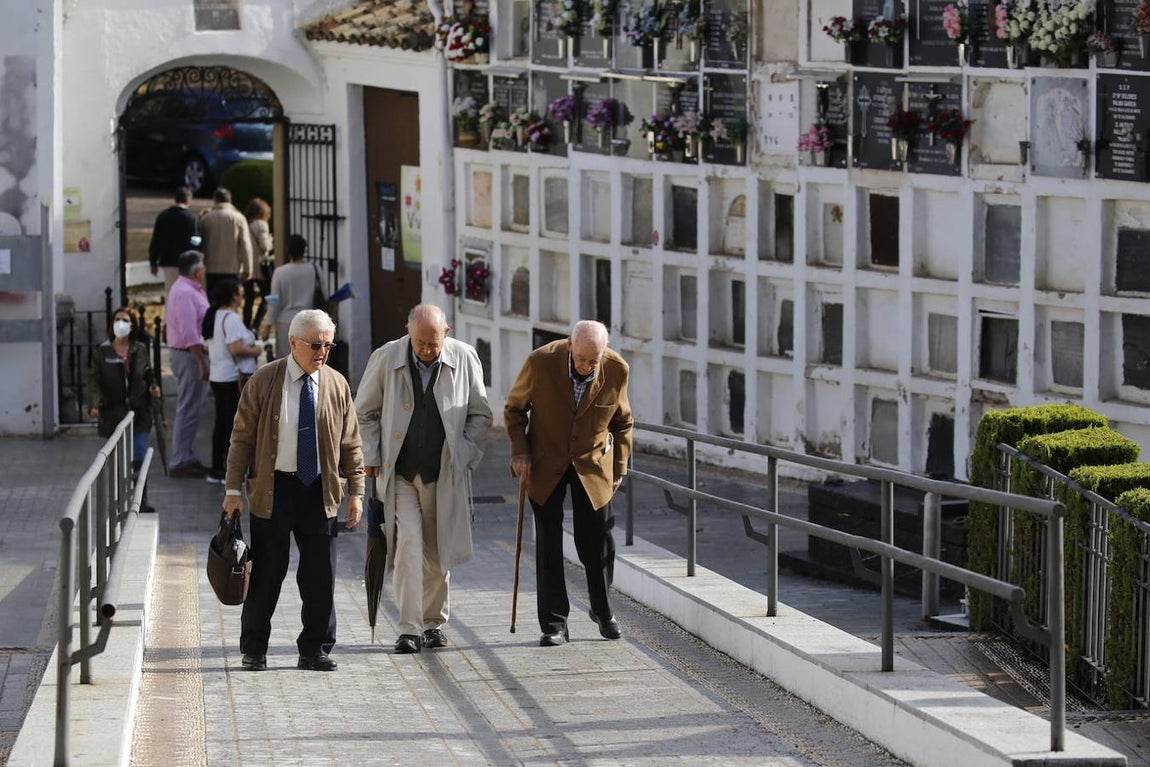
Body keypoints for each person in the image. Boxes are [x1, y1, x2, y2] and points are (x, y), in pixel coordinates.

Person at [223, 309, 364, 672]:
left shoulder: (336, 384)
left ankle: (315, 648)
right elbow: (241, 437)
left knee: (321, 574)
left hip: (320, 488)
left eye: (328, 345)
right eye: (315, 345)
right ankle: (254, 648)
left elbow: (350, 442)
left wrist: (357, 491)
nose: (322, 352)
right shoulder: (265, 379)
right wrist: (232, 488)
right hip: (275, 488)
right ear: (292, 343)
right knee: (268, 571)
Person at [355, 304, 493, 654]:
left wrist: (462, 454)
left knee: (436, 546)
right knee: (409, 542)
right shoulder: (386, 357)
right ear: (408, 331)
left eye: (434, 343)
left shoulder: (464, 358)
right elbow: (364, 412)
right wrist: (371, 455)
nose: (427, 350)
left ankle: (433, 623)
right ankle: (409, 627)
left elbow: (480, 415)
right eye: (420, 343)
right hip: (399, 471)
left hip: (442, 473)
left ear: (446, 333)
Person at [504, 320, 634, 647]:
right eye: (581, 359)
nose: (587, 366)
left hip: (593, 466)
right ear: (570, 346)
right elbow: (514, 410)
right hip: (546, 462)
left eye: (594, 360)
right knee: (548, 542)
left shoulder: (617, 369)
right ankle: (554, 624)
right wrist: (520, 452)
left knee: (597, 541)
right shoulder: (540, 362)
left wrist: (619, 466)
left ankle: (603, 611)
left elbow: (623, 422)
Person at [87, 306, 161, 513]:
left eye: (125, 320)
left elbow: (147, 373)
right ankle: (121, 500)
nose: (121, 324)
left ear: (132, 325)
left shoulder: (139, 349)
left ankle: (140, 499)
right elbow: (94, 381)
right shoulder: (103, 352)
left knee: (138, 454)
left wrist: (153, 388)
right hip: (114, 414)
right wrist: (94, 404)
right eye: (117, 319)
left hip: (139, 413)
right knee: (119, 459)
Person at [203, 278, 263, 484]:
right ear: (233, 296)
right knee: (232, 425)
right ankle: (229, 470)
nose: (242, 296)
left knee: (221, 423)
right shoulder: (232, 319)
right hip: (231, 377)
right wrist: (256, 350)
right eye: (239, 293)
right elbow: (235, 348)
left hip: (218, 375)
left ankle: (217, 468)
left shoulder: (216, 316)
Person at [166, 250, 211, 478]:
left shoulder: (190, 289)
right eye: (202, 267)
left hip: (192, 353)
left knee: (195, 407)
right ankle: (180, 459)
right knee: (189, 407)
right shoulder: (185, 293)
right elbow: (189, 332)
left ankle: (188, 455)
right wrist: (201, 362)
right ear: (196, 271)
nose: (205, 271)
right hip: (189, 355)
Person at [263, 234, 316, 359]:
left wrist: (268, 325)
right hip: (310, 322)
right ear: (304, 250)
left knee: (287, 362)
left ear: (288, 251)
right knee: (308, 361)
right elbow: (324, 295)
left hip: (286, 324)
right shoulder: (315, 269)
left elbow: (274, 302)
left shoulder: (280, 272)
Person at [199, 187, 253, 292]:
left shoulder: (206, 218)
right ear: (230, 200)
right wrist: (248, 268)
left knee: (213, 302)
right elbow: (246, 245)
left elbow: (200, 243)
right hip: (233, 268)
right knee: (230, 301)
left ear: (215, 200)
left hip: (211, 268)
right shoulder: (239, 218)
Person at [148, 186, 198, 293]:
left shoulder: (163, 216)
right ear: (189, 201)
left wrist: (153, 262)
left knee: (170, 290)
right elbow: (195, 240)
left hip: (168, 260)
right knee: (186, 291)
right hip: (186, 262)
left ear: (175, 199)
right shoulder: (191, 218)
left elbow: (156, 240)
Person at [243, 197, 274, 330]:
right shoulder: (261, 225)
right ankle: (256, 325)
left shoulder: (245, 223)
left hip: (247, 265)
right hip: (261, 266)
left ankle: (246, 325)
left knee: (249, 298)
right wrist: (271, 239)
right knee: (267, 296)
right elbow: (266, 246)